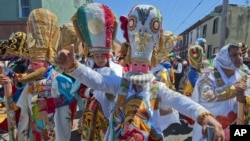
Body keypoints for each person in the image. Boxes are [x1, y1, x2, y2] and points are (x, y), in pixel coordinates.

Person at [55, 4, 225, 141]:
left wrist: (203, 116)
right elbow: (97, 80)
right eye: (135, 63)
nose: (138, 70)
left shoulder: (155, 88)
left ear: (150, 65)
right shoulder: (121, 84)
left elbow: (180, 101)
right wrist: (73, 66)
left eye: (142, 65)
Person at [13, 8, 76, 141]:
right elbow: (20, 103)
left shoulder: (59, 79)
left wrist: (49, 104)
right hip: (35, 130)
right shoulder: (30, 82)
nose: (31, 66)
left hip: (53, 130)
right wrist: (9, 86)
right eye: (31, 62)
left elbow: (70, 100)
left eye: (37, 63)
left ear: (47, 62)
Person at [70, 3, 123, 140]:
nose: (99, 59)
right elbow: (80, 88)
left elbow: (121, 91)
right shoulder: (88, 69)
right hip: (90, 108)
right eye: (97, 56)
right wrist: (90, 92)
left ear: (108, 56)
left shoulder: (116, 69)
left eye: (102, 57)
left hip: (108, 111)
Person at [191, 43, 250, 141]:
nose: (240, 58)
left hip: (236, 124)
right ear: (224, 56)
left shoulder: (243, 73)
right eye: (234, 55)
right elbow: (206, 95)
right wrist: (232, 90)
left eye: (240, 55)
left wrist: (244, 99)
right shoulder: (208, 72)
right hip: (211, 127)